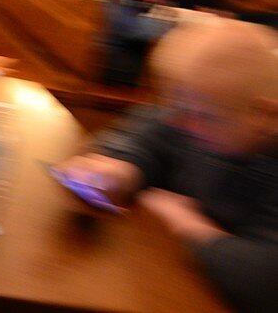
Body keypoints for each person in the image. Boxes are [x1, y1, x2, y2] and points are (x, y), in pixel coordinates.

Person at [56, 19, 278, 312]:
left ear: (264, 115)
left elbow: (265, 283)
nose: (180, 123)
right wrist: (120, 169)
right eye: (174, 107)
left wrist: (189, 223)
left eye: (201, 115)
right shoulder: (205, 107)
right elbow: (147, 135)